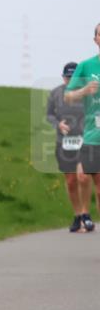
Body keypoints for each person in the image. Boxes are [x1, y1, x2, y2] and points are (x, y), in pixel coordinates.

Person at [49, 61, 94, 231]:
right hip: (65, 143)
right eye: (68, 77)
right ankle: (77, 216)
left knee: (83, 177)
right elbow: (49, 115)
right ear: (63, 77)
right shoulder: (55, 93)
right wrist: (58, 124)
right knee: (70, 181)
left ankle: (86, 214)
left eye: (74, 77)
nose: (70, 80)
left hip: (86, 141)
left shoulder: (89, 94)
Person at [64, 22, 100, 231]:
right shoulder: (86, 66)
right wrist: (84, 90)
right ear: (96, 39)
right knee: (86, 178)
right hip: (93, 135)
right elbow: (68, 96)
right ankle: (84, 213)